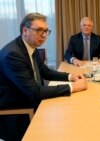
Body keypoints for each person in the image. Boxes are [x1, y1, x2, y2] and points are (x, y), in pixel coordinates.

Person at [0, 13, 87, 141]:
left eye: (46, 31)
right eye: (39, 30)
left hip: (29, 98)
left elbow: (45, 72)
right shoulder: (13, 54)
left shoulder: (30, 47)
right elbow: (34, 92)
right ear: (25, 30)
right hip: (16, 111)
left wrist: (70, 76)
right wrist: (73, 87)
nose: (44, 35)